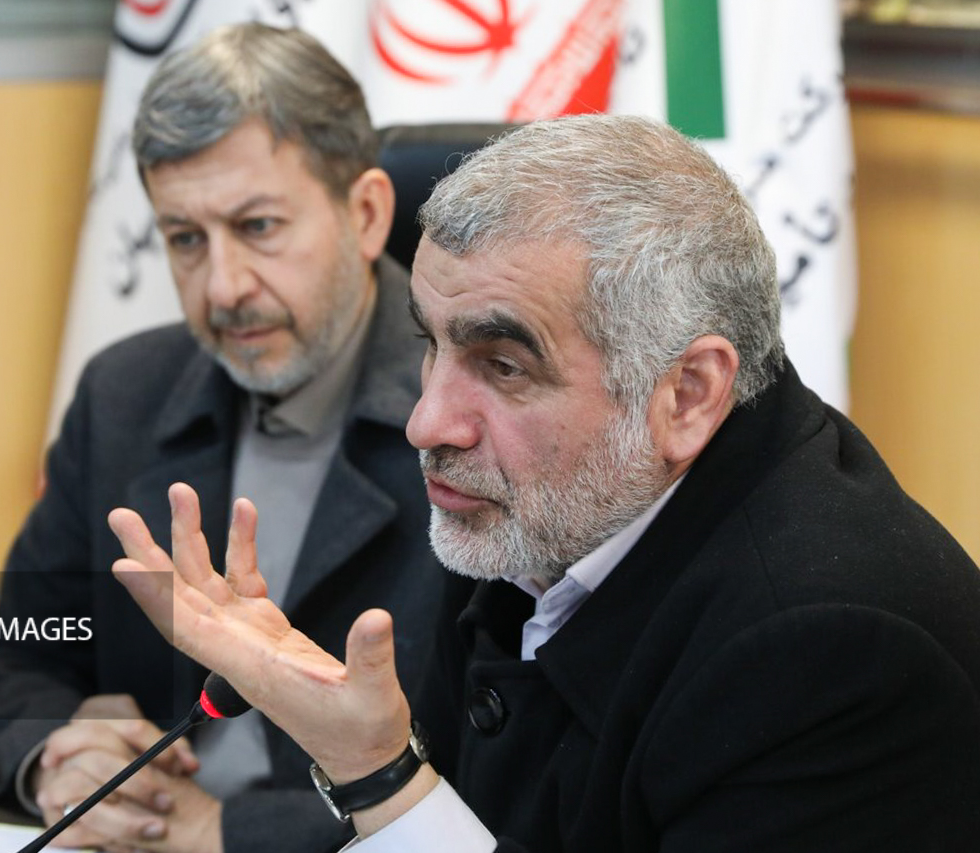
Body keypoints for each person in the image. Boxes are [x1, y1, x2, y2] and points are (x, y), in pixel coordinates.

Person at [109, 115, 980, 852]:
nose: (427, 423)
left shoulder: (829, 650)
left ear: (686, 393)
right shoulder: (541, 513)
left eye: (504, 365)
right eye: (432, 343)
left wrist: (378, 772)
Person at [0, 23, 449, 853]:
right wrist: (62, 755)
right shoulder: (124, 393)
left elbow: (500, 768)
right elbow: (11, 661)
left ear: (366, 214)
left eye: (257, 226)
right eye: (186, 239)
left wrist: (229, 831)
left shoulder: (473, 414)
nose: (222, 288)